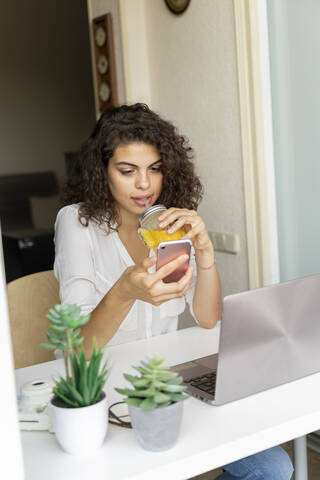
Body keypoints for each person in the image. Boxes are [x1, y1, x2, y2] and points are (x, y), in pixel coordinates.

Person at [54, 103, 293, 480]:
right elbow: (77, 353)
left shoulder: (169, 223)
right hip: (103, 391)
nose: (144, 185)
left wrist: (205, 251)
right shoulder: (77, 223)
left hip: (167, 381)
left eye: (155, 169)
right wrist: (124, 291)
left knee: (274, 467)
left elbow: (208, 317)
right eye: (127, 171)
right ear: (102, 172)